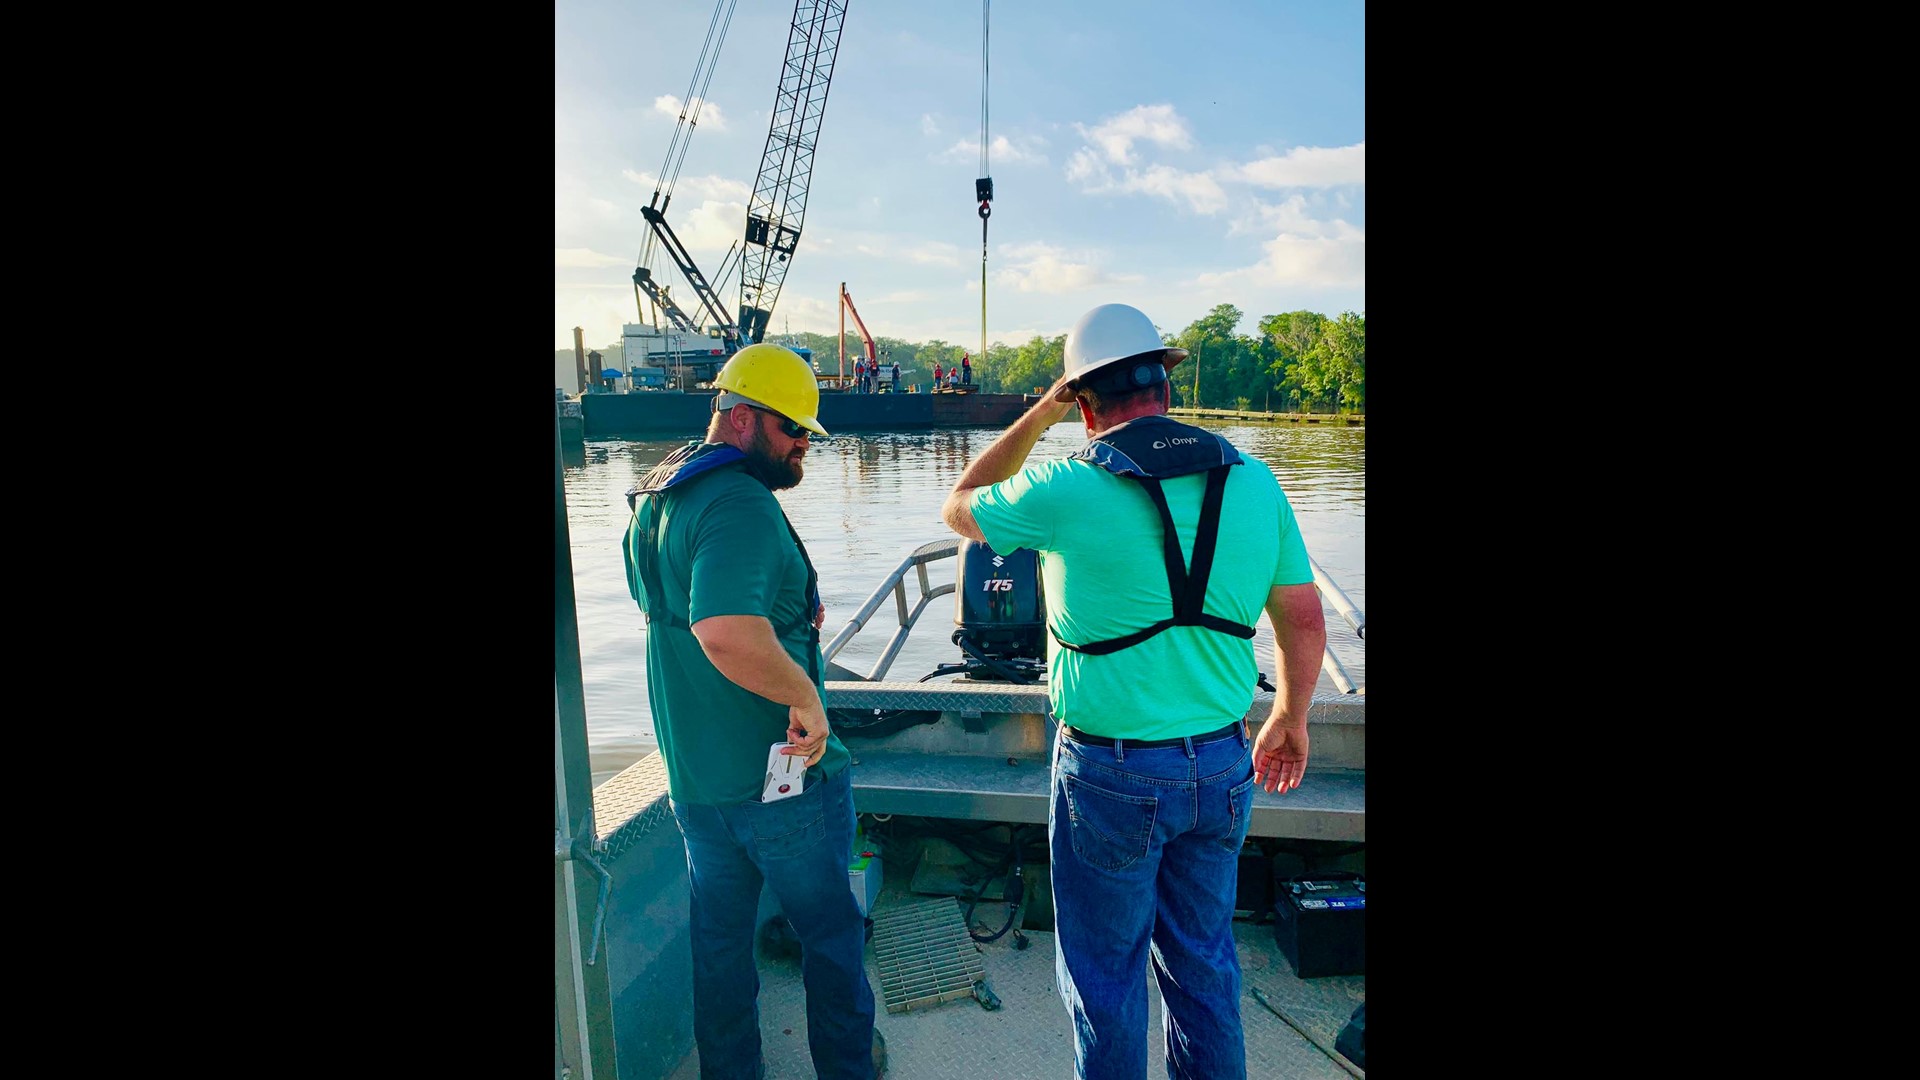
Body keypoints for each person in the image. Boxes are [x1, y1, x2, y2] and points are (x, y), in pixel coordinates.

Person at [938, 302, 1326, 1080]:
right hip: (1224, 764)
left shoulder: (1063, 486)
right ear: (1167, 392)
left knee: (1106, 979)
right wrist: (1288, 715)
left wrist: (1035, 416)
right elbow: (1305, 621)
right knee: (1204, 966)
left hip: (1109, 776)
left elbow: (957, 507)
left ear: (1083, 405)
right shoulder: (1254, 481)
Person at [622, 342, 886, 1080]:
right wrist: (807, 697)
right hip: (784, 783)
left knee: (720, 943)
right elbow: (724, 631)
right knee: (831, 935)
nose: (805, 445)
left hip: (697, 780)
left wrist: (789, 612)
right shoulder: (738, 499)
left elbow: (681, 610)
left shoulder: (661, 492)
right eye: (792, 430)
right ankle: (846, 1067)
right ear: (741, 420)